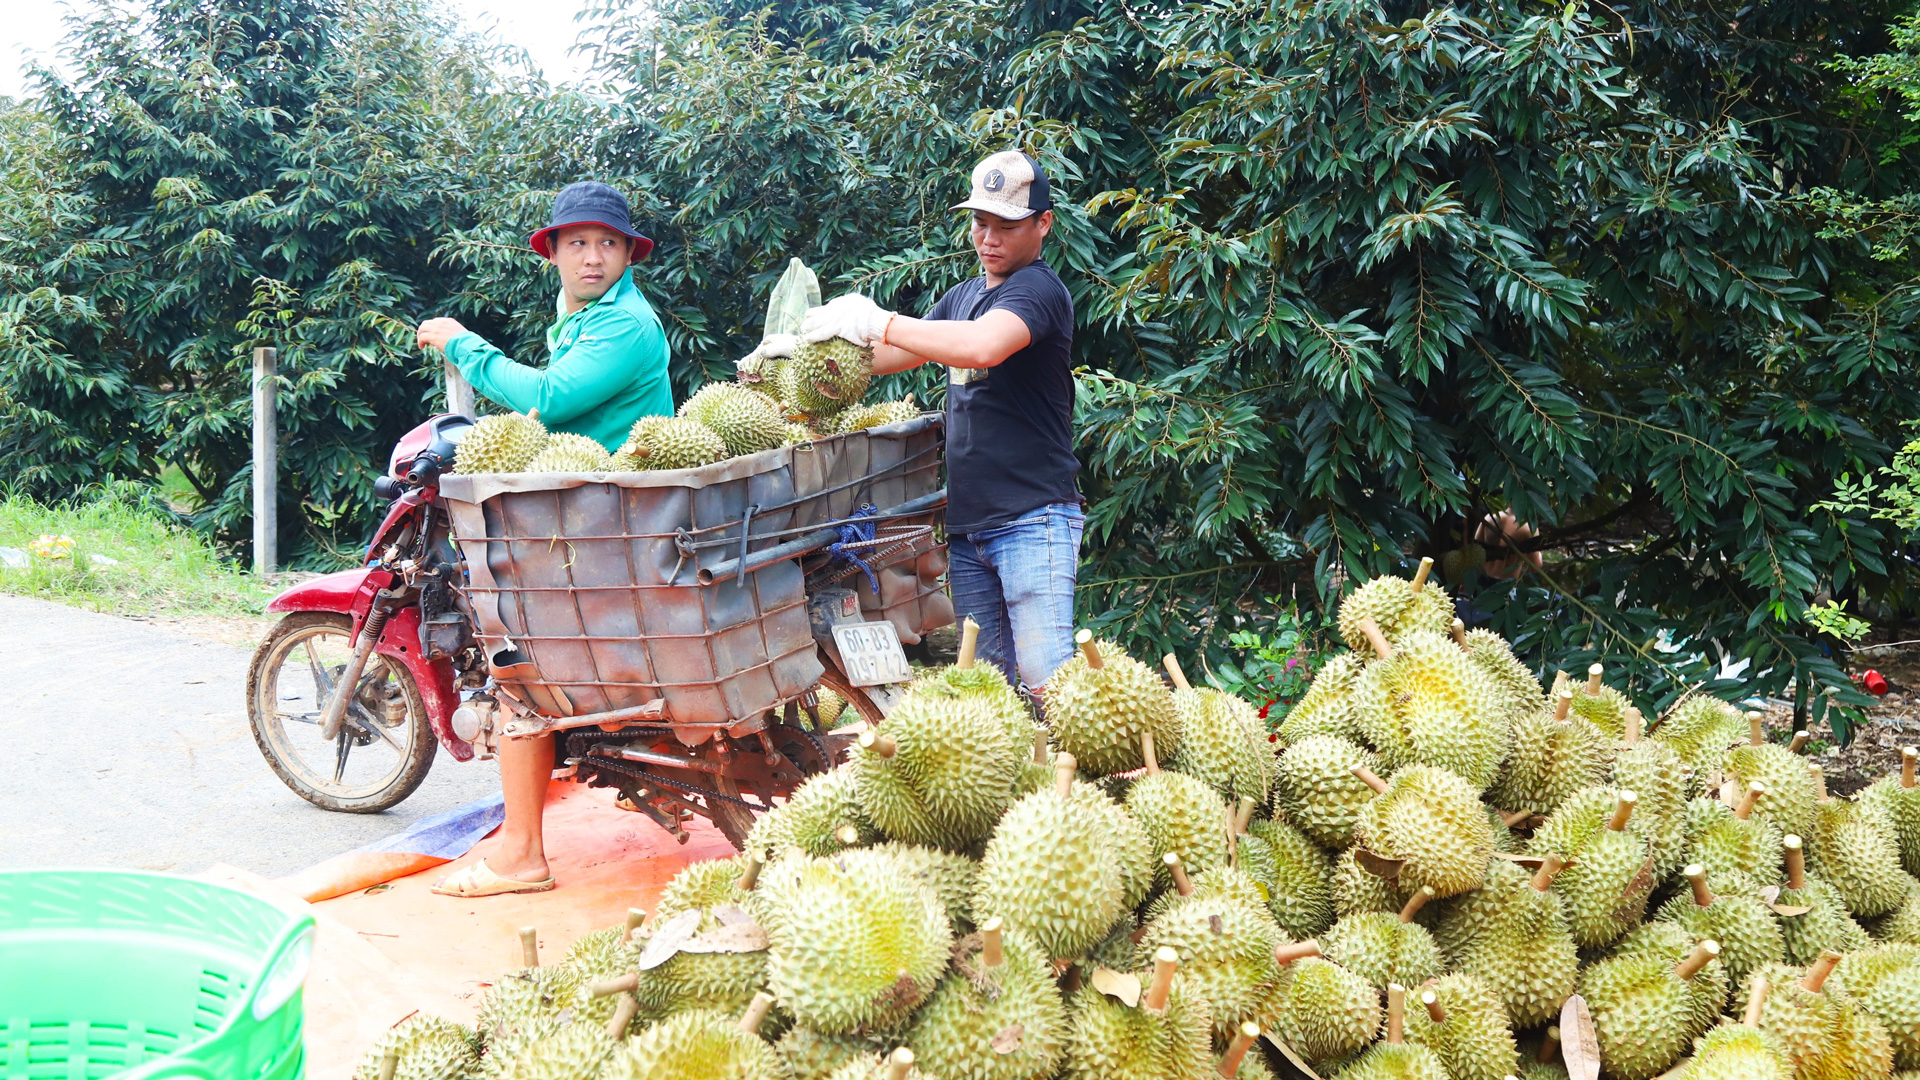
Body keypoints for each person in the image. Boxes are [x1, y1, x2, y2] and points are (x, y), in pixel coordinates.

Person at [416, 180, 670, 897]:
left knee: (515, 658)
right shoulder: (584, 316)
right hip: (588, 511)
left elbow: (550, 399)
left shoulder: (624, 325)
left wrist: (464, 345)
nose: (593, 257)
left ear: (628, 254)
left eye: (609, 244)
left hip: (607, 524)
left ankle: (523, 852)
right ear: (553, 253)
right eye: (579, 243)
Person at [783, 150, 1082, 693]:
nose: (989, 239)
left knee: (1048, 680)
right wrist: (797, 355)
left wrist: (880, 318)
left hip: (1032, 519)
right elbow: (890, 355)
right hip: (970, 527)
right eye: (980, 223)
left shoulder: (1039, 291)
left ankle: (1072, 777)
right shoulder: (962, 297)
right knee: (988, 688)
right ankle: (1019, 779)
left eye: (1007, 227)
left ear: (1043, 224)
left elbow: (982, 346)